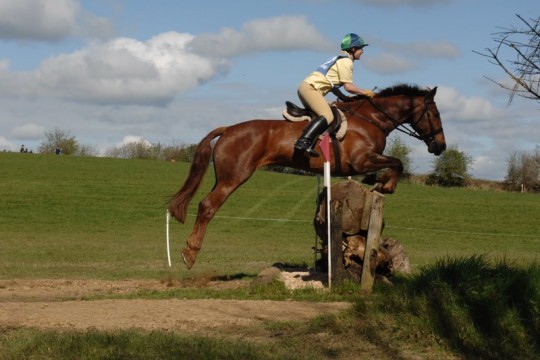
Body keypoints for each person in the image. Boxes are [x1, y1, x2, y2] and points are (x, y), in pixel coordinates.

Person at [294, 33, 375, 157]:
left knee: (327, 112)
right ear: (353, 49)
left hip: (307, 88)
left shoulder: (339, 59)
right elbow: (348, 87)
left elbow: (333, 86)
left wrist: (344, 99)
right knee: (327, 115)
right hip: (310, 89)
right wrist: (365, 92)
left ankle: (310, 142)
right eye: (360, 48)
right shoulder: (346, 61)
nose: (362, 51)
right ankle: (303, 142)